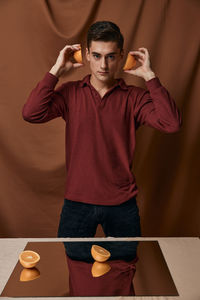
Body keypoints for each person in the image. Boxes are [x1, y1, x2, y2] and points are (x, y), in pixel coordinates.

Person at [22, 21, 181, 239]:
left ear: (122, 55)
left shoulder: (134, 97)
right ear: (87, 54)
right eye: (96, 56)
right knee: (74, 269)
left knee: (124, 269)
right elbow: (31, 113)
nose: (103, 65)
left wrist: (150, 77)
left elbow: (171, 123)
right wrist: (55, 71)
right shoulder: (71, 93)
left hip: (122, 205)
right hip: (77, 204)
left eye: (111, 56)